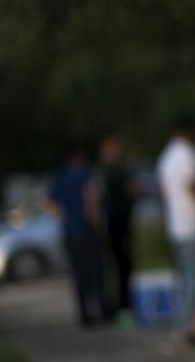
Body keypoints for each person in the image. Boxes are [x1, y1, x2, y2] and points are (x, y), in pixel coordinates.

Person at [157, 116, 195, 333]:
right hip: (192, 221)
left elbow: (162, 190)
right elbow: (192, 185)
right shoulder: (187, 154)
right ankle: (189, 324)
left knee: (184, 274)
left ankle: (185, 319)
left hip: (175, 223)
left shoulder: (165, 157)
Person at [48, 147, 108, 326]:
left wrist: (65, 217)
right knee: (95, 273)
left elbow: (51, 204)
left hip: (70, 232)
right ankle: (100, 311)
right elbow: (91, 199)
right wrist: (96, 224)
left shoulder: (59, 177)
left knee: (77, 274)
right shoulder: (83, 175)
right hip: (85, 231)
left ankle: (83, 314)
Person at [99, 133, 138, 316]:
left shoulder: (105, 170)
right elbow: (132, 190)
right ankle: (124, 305)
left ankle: (121, 304)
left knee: (118, 266)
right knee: (122, 265)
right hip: (118, 222)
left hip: (115, 222)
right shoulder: (117, 170)